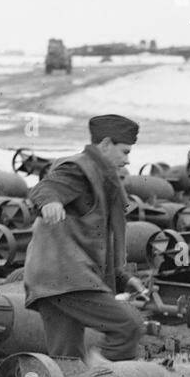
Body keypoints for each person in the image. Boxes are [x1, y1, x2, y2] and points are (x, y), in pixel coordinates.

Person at [23, 114, 147, 362]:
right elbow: (46, 188)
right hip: (66, 279)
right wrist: (50, 202)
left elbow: (96, 240)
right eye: (124, 152)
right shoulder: (80, 168)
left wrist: (122, 278)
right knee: (129, 325)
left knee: (67, 361)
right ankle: (101, 373)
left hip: (51, 281)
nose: (127, 160)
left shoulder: (102, 178)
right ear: (105, 145)